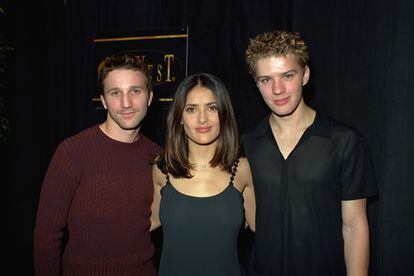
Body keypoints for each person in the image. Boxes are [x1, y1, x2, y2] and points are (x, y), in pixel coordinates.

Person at [242, 30, 377, 275]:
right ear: (256, 83)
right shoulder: (245, 144)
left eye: (287, 76)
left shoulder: (344, 141)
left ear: (305, 75)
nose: (278, 89)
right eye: (266, 80)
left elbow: (354, 226)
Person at [33, 53, 161, 275]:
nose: (126, 103)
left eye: (135, 91)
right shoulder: (72, 153)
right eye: (115, 93)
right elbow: (46, 236)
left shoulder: (158, 156)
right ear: (103, 100)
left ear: (149, 97)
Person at [150, 73, 256, 276]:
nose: (202, 118)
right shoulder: (161, 169)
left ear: (224, 113)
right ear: (179, 117)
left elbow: (266, 230)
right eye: (191, 109)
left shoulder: (242, 169)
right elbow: (142, 225)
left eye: (212, 107)